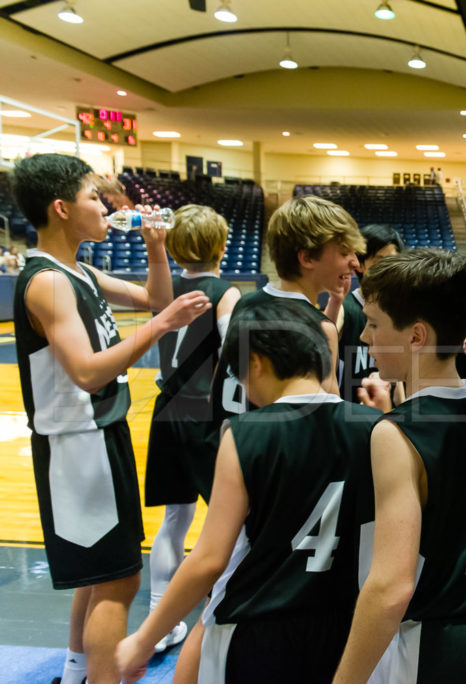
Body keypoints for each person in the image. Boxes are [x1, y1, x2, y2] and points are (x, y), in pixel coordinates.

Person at [10, 154, 211, 684]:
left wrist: (157, 251)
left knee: (98, 575)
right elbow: (86, 372)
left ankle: (77, 672)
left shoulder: (78, 270)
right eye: (93, 197)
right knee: (119, 581)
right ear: (60, 208)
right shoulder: (48, 283)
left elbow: (154, 299)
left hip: (99, 434)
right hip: (77, 443)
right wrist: (163, 324)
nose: (105, 206)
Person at [116, 300, 379, 683]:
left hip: (257, 625)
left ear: (255, 362)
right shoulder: (376, 427)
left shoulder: (245, 433)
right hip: (343, 625)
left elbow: (209, 560)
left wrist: (144, 639)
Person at [334, 249, 466, 683]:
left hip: (427, 644)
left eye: (374, 324)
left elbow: (391, 588)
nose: (367, 338)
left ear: (415, 336)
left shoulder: (395, 434)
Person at [142, 204, 241, 654]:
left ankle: (160, 621)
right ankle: (227, 607)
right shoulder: (226, 292)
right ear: (221, 245)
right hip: (206, 414)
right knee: (235, 519)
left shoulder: (161, 289)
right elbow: (236, 360)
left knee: (174, 519)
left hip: (167, 410)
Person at [210, 194, 365, 425]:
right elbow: (330, 421)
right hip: (274, 455)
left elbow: (219, 385)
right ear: (307, 257)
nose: (355, 263)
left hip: (229, 442)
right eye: (344, 253)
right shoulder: (320, 329)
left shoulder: (246, 304)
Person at [338, 223, 404, 402]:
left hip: (389, 417)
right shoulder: (345, 308)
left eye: (392, 261)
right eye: (379, 261)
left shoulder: (399, 310)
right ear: (360, 265)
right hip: (353, 418)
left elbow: (399, 381)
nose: (387, 269)